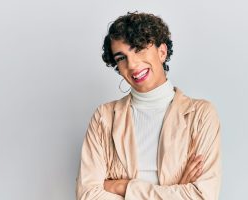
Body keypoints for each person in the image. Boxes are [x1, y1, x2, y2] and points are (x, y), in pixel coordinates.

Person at [76, 12, 221, 200]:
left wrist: (124, 186)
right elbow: (87, 195)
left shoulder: (201, 115)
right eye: (121, 57)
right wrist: (179, 189)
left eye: (139, 49)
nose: (132, 64)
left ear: (162, 52)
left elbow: (202, 196)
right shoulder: (104, 117)